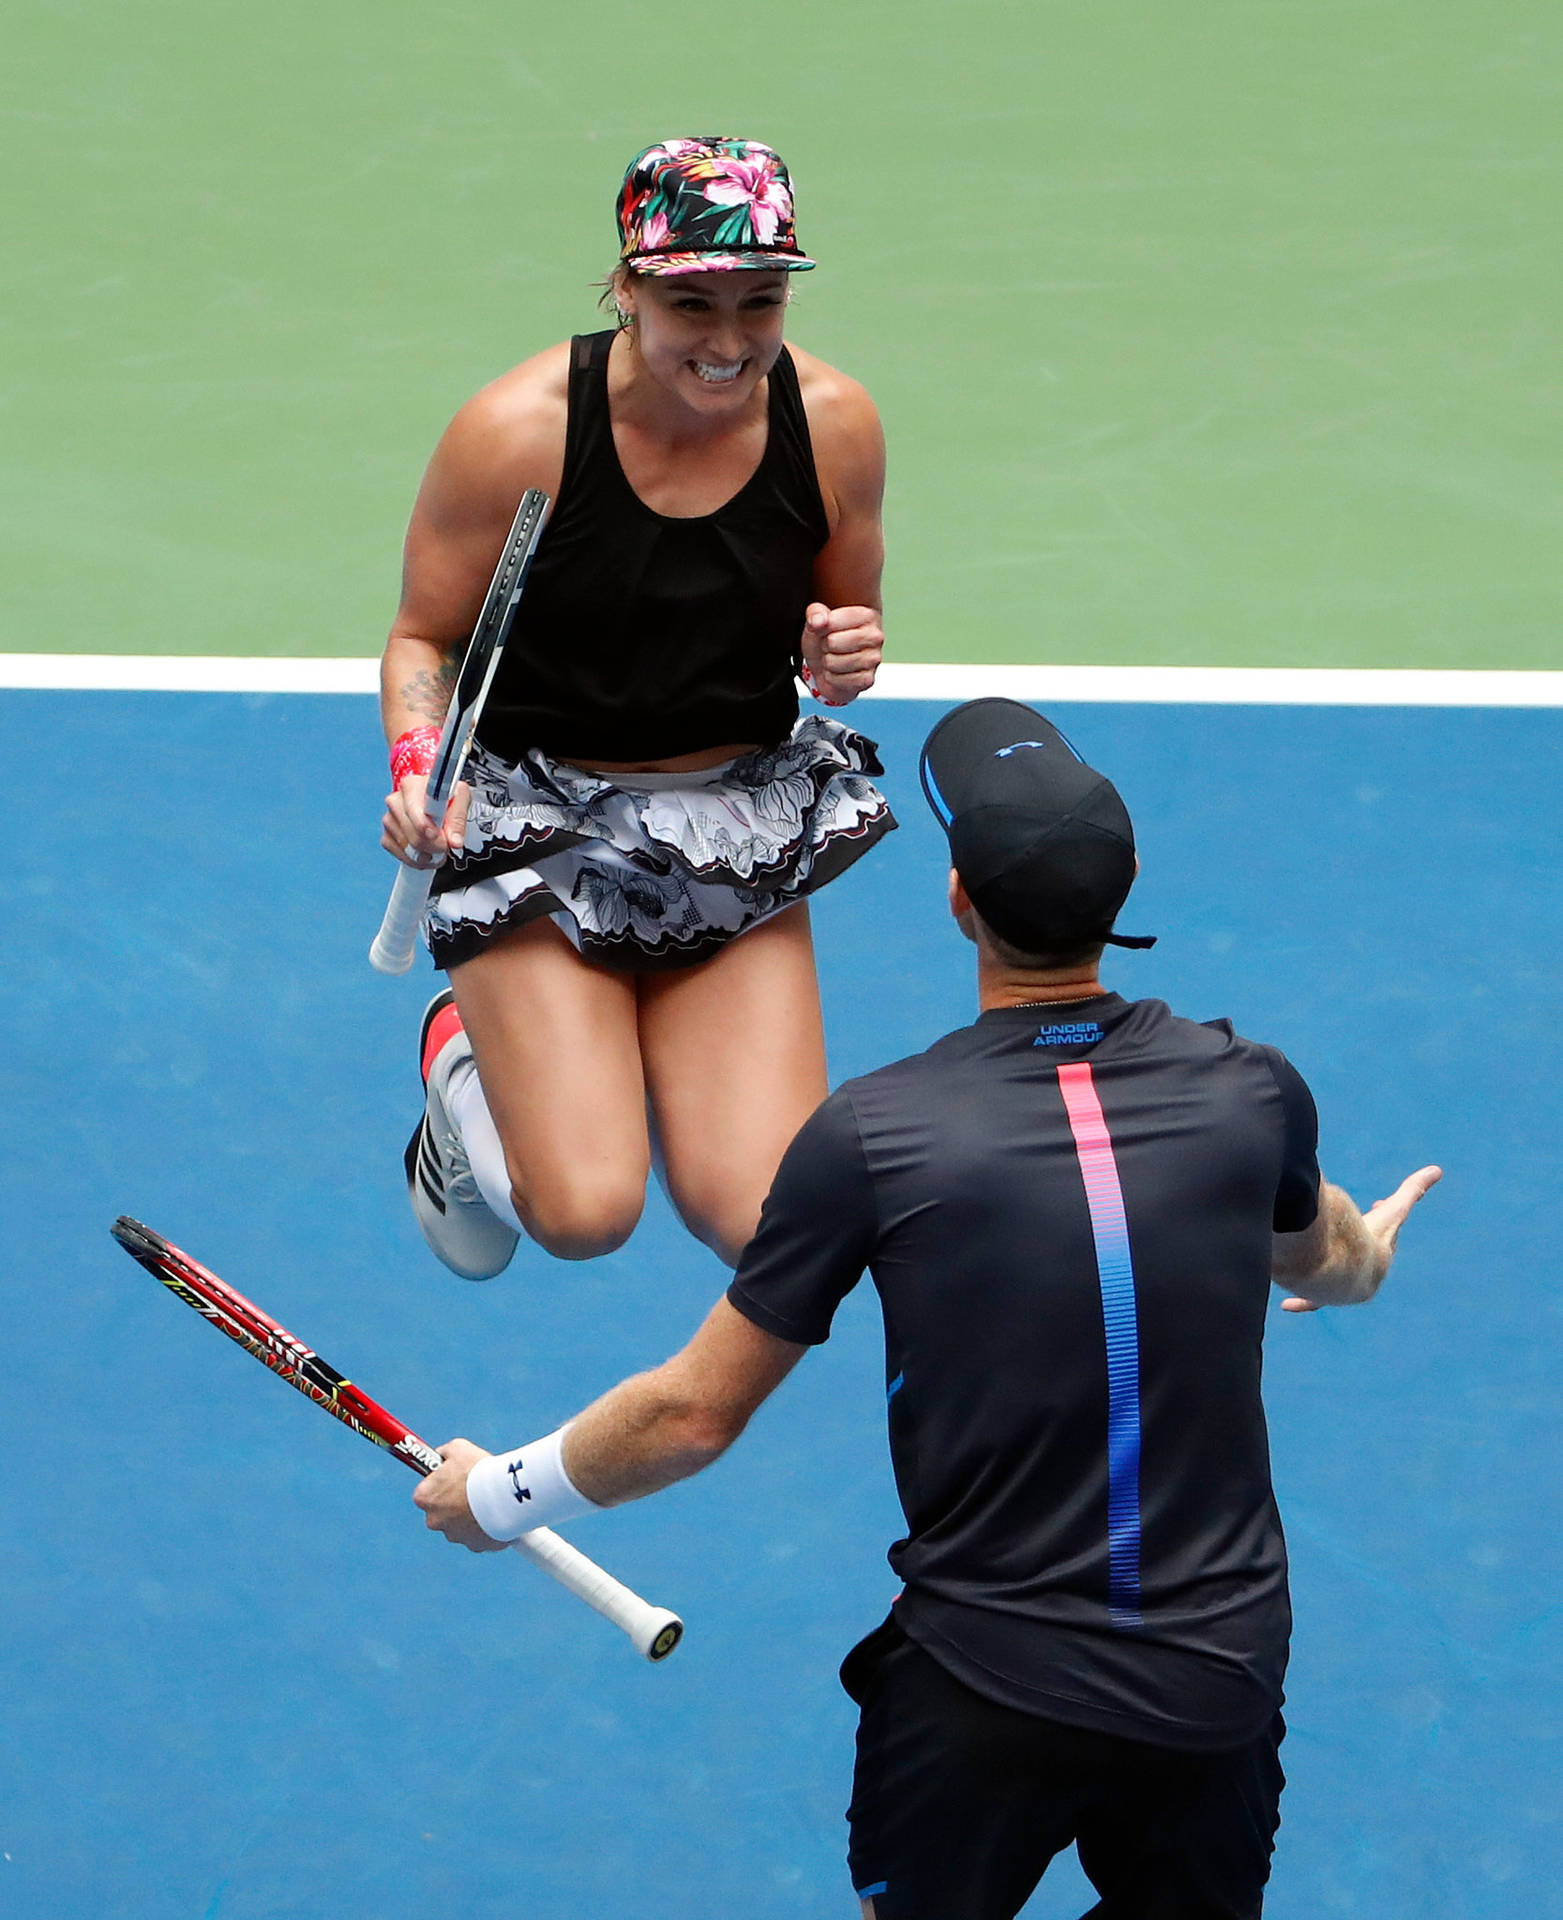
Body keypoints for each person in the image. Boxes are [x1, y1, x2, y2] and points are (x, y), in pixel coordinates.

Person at [413, 697, 1440, 1919]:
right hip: (1214, 1687)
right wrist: (1366, 1249)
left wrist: (495, 1494)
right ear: (1124, 896)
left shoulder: (875, 1137)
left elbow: (693, 1414)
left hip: (981, 1695)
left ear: (959, 901)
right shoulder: (1253, 1093)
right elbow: (1325, 1257)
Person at [379, 135, 894, 1282]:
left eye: (759, 305)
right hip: (537, 820)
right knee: (583, 1213)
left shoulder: (837, 425)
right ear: (628, 286)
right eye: (691, 306)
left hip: (732, 817)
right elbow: (423, 635)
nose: (728, 343)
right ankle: (460, 1068)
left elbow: (843, 632)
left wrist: (841, 650)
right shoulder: (518, 434)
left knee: (768, 1219)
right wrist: (422, 762)